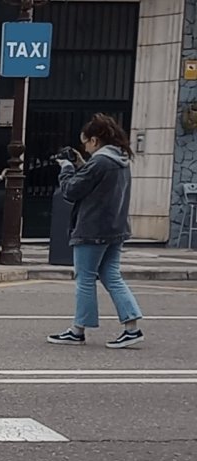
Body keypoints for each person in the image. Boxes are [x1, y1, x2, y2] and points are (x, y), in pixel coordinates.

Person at [47, 113, 144, 349]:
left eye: (86, 142)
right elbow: (96, 183)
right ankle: (132, 327)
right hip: (116, 227)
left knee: (85, 277)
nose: (85, 147)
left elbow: (71, 190)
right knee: (111, 275)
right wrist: (82, 164)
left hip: (92, 228)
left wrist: (67, 167)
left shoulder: (100, 162)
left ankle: (78, 330)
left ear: (94, 139)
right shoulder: (119, 159)